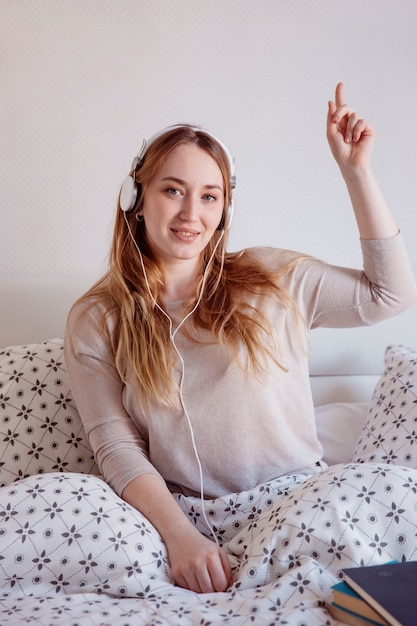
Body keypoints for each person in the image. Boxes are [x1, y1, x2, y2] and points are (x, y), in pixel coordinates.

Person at [64, 83, 417, 596]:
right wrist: (182, 539)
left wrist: (356, 172)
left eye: (210, 196)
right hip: (183, 522)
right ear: (135, 199)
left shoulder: (273, 275)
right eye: (173, 189)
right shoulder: (96, 318)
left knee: (398, 494)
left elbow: (390, 294)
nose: (191, 213)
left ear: (225, 210)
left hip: (299, 501)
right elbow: (116, 446)